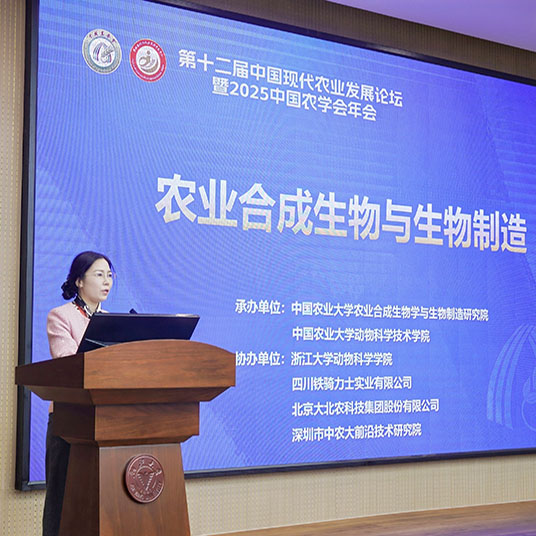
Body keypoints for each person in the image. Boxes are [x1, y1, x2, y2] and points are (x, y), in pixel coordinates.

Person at [43, 251, 114, 536]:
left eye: (109, 275)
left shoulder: (113, 320)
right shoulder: (61, 316)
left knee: (100, 499)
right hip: (70, 419)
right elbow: (68, 363)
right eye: (99, 274)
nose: (107, 281)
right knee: (62, 499)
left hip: (108, 419)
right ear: (79, 281)